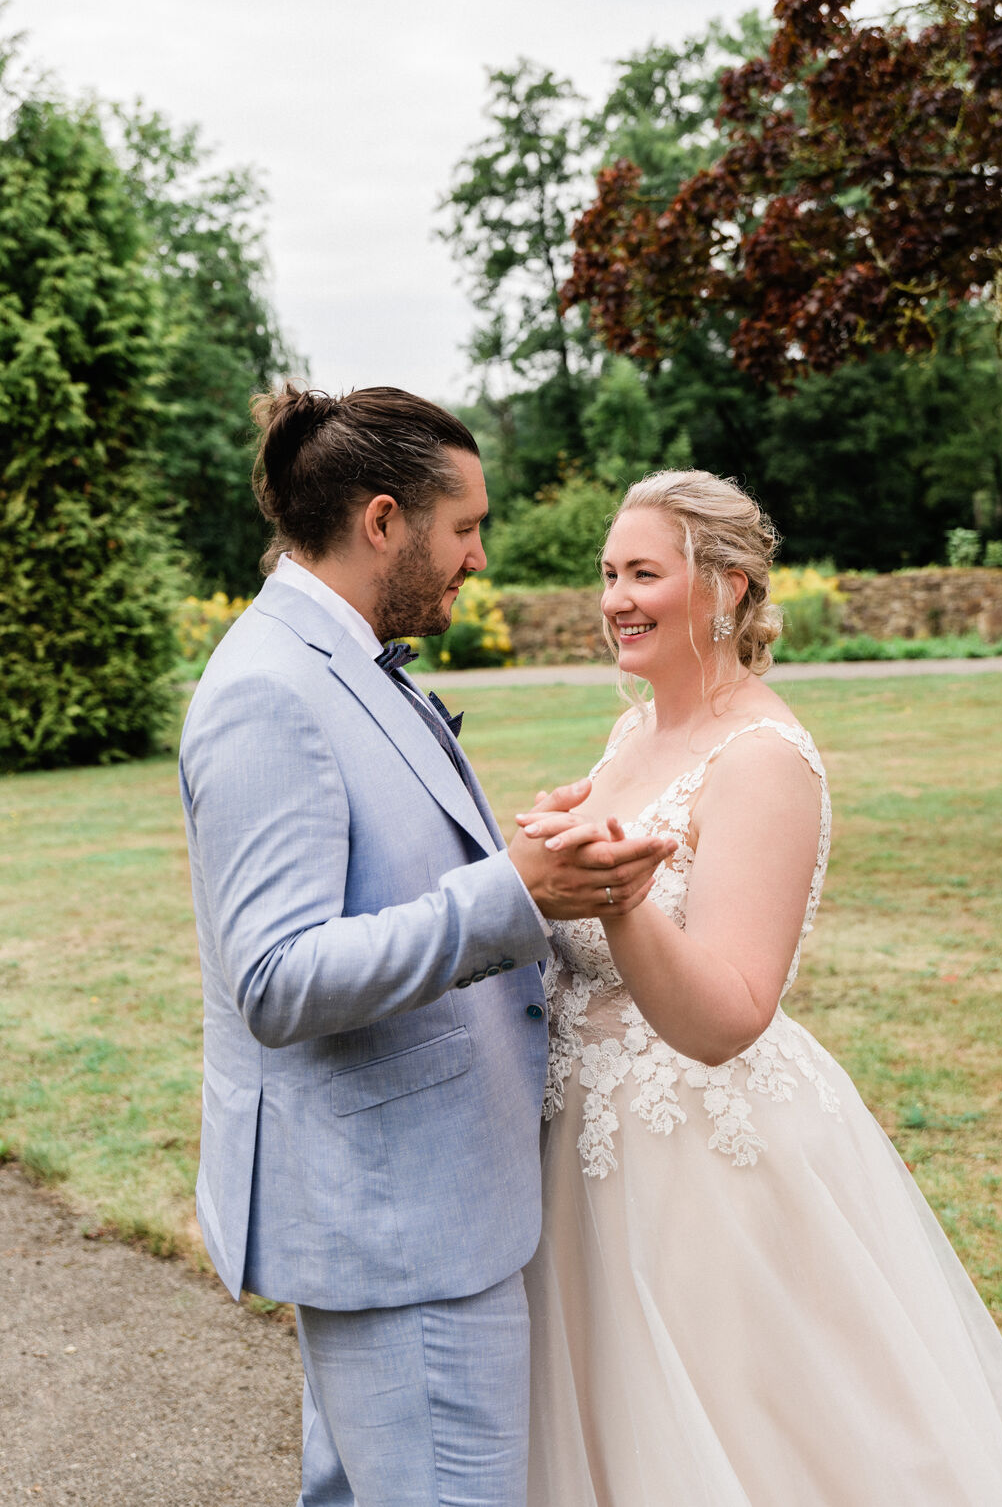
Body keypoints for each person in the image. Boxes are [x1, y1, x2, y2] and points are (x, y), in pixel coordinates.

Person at [177, 384, 675, 1507]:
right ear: (383, 521)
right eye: (465, 529)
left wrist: (524, 859)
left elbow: (383, 875)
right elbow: (275, 976)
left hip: (416, 1200)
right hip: (399, 1225)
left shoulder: (344, 654)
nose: (478, 558)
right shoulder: (270, 689)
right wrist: (510, 891)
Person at [518, 470, 1002, 1507]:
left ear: (726, 589)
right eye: (608, 573)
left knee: (734, 1445)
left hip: (700, 1167)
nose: (615, 598)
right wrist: (545, 858)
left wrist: (616, 899)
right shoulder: (632, 734)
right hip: (579, 1150)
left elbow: (725, 1014)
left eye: (643, 574)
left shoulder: (762, 761)